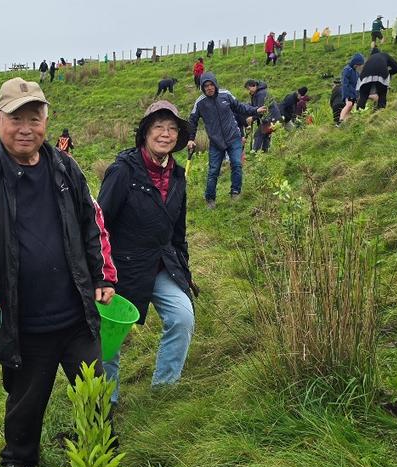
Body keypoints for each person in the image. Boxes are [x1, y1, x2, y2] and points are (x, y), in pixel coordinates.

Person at [0, 77, 117, 467]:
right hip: (22, 321)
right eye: (16, 118)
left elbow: (92, 223)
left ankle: (99, 459)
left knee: (94, 390)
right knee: (26, 402)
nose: (26, 128)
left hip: (76, 312)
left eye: (34, 118)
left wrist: (104, 275)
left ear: (46, 120)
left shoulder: (64, 167)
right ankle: (19, 463)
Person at [97, 100, 196, 407]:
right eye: (158, 127)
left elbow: (177, 232)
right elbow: (98, 224)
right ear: (145, 133)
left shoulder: (178, 176)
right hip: (120, 269)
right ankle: (106, 401)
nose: (165, 134)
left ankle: (163, 391)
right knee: (110, 340)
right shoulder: (123, 172)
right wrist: (101, 275)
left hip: (162, 265)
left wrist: (183, 269)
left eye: (171, 129)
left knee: (182, 317)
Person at [186, 72, 266, 208]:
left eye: (211, 85)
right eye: (206, 86)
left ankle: (235, 192)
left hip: (233, 137)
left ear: (215, 84)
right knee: (213, 171)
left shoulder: (226, 94)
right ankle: (210, 199)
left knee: (236, 164)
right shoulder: (200, 103)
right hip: (215, 142)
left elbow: (240, 107)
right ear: (202, 88)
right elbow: (192, 121)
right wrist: (191, 139)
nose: (209, 88)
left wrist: (255, 110)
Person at [244, 80, 272, 153]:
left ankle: (255, 153)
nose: (248, 91)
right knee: (265, 134)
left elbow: (262, 109)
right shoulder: (256, 94)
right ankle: (265, 152)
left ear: (254, 86)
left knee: (258, 134)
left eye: (248, 88)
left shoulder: (261, 94)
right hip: (267, 118)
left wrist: (253, 118)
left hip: (270, 117)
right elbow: (256, 107)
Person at [339, 54, 365, 122]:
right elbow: (344, 84)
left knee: (352, 108)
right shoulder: (347, 70)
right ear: (355, 64)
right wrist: (346, 95)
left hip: (354, 94)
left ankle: (346, 121)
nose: (360, 67)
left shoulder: (356, 72)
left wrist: (357, 95)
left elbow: (357, 85)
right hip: (348, 93)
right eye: (359, 65)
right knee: (349, 104)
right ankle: (340, 120)